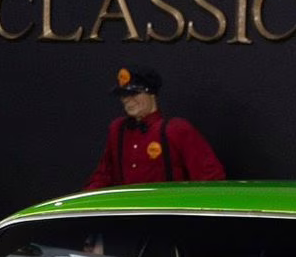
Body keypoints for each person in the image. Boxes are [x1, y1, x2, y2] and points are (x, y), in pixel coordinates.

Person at [83, 66, 226, 190]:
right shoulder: (118, 130)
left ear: (151, 93)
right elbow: (103, 175)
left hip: (167, 214)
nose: (127, 100)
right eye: (123, 95)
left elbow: (210, 177)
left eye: (134, 94)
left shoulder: (176, 130)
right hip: (127, 214)